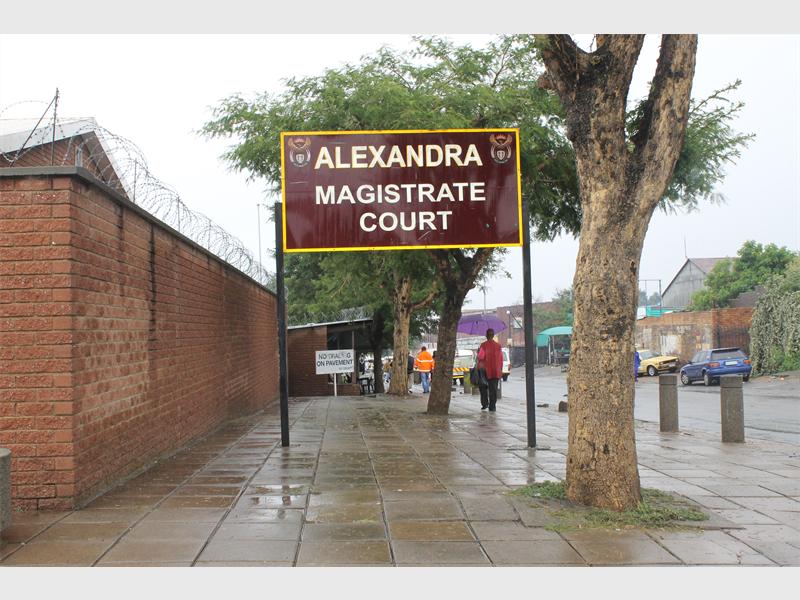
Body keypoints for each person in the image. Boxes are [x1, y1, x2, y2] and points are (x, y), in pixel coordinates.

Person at [477, 328, 503, 411]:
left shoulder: (483, 345)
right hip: (495, 371)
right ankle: (492, 406)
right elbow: (501, 359)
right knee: (493, 389)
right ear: (493, 335)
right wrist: (500, 370)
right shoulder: (498, 346)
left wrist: (478, 352)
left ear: (486, 335)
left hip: (485, 370)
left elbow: (481, 357)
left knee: (483, 387)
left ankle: (485, 404)